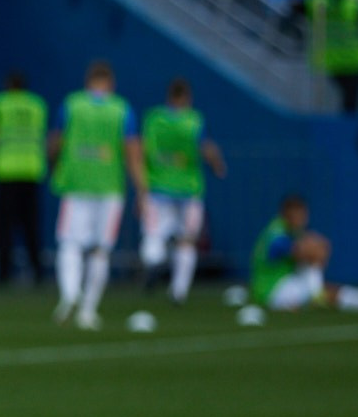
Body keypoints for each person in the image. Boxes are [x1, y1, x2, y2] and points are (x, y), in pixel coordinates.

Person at [49, 59, 146, 330]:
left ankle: (69, 294)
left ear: (88, 80)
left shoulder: (72, 104)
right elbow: (132, 152)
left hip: (76, 183)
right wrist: (141, 191)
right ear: (111, 83)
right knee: (100, 250)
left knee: (69, 242)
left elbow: (55, 142)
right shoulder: (121, 109)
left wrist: (55, 165)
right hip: (109, 188)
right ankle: (88, 311)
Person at [138, 78, 226, 304]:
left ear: (169, 96)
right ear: (187, 98)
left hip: (158, 187)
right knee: (187, 241)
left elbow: (142, 149)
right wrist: (217, 164)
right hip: (188, 189)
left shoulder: (154, 118)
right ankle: (178, 292)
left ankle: (156, 262)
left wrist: (140, 188)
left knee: (153, 236)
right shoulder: (193, 120)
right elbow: (205, 147)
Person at [251, 195, 358, 314]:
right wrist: (316, 250)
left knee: (330, 289)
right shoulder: (277, 234)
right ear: (286, 215)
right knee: (329, 290)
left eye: (302, 215)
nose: (301, 220)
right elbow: (309, 252)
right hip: (273, 291)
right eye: (297, 216)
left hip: (284, 283)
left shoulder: (288, 230)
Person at [0, 72, 48, 285]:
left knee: (5, 228)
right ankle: (38, 272)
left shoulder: (0, 103)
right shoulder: (37, 105)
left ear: (8, 86)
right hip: (31, 170)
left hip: (6, 170)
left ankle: (4, 273)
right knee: (31, 226)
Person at [310, 0, 358, 112]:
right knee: (349, 100)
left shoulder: (318, 0)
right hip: (345, 59)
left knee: (350, 100)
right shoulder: (351, 2)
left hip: (348, 60)